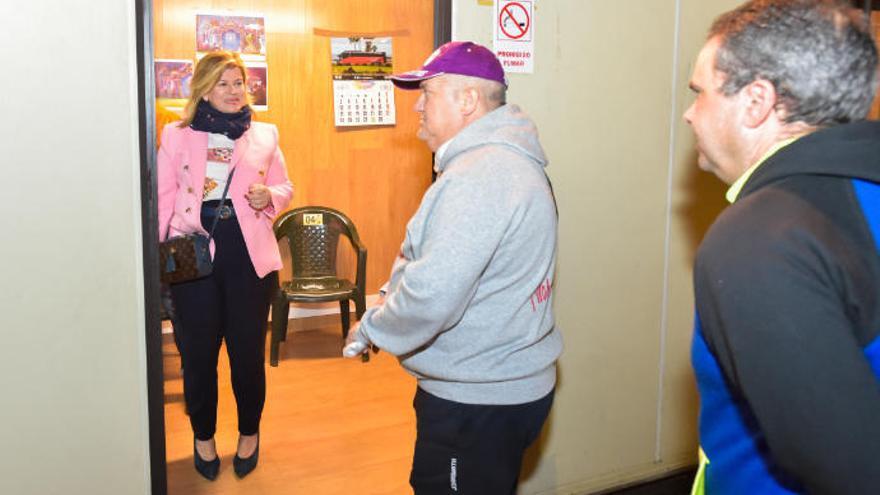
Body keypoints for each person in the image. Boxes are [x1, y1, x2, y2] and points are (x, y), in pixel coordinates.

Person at [343, 41, 562, 494]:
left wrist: (371, 326)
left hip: (477, 400)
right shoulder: (500, 162)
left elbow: (432, 295)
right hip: (502, 388)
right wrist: (389, 294)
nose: (417, 107)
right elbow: (432, 259)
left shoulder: (481, 175)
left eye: (428, 93)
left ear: (467, 100)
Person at [683, 1, 880, 493]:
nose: (689, 115)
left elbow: (846, 467)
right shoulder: (860, 195)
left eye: (699, 93)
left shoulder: (759, 239)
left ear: (756, 102)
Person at [157, 50, 292, 481]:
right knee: (197, 357)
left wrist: (269, 196)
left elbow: (284, 185)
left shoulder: (264, 133)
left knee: (246, 354)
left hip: (247, 253)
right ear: (204, 88)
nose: (234, 92)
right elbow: (162, 196)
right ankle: (203, 438)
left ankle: (249, 434)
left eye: (239, 84)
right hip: (190, 250)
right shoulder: (176, 134)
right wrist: (159, 255)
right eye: (223, 84)